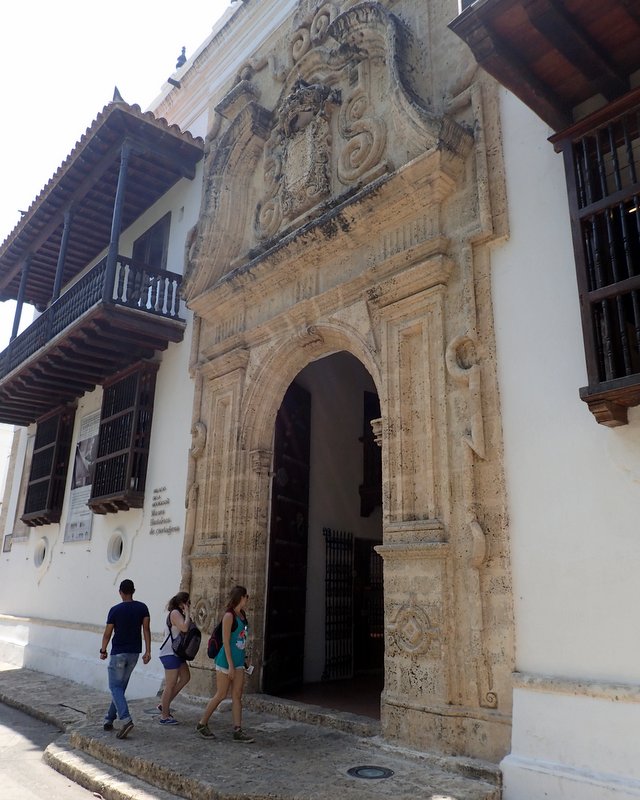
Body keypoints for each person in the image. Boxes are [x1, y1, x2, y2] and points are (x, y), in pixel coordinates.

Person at [195, 585, 254, 742]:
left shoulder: (242, 615)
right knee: (221, 694)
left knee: (237, 695)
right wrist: (230, 665)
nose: (247, 599)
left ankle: (237, 730)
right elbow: (226, 641)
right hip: (226, 661)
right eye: (246, 596)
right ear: (241, 597)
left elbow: (241, 637)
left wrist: (245, 658)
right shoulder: (229, 616)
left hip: (239, 660)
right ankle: (202, 723)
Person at [100, 578, 151, 739]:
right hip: (134, 652)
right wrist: (148, 651)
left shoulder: (115, 610)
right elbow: (146, 630)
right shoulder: (142, 608)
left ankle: (126, 719)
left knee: (115, 687)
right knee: (120, 688)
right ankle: (109, 719)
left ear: (120, 592)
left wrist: (103, 650)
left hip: (118, 653)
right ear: (133, 591)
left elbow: (108, 633)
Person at [157, 591, 192, 724]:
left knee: (185, 677)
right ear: (182, 603)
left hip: (177, 653)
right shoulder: (175, 613)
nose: (189, 605)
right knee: (170, 684)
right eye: (188, 603)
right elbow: (184, 628)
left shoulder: (178, 613)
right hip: (170, 653)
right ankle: (164, 716)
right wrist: (187, 613)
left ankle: (164, 704)